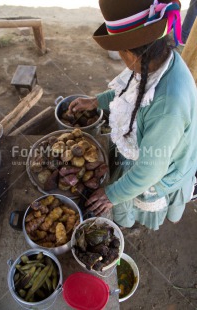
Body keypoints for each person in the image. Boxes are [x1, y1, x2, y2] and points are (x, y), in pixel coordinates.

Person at [69, 0, 197, 230]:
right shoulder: (158, 60)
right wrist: (97, 101)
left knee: (131, 194)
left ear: (129, 53)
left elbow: (150, 170)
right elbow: (130, 92)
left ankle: (132, 221)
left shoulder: (167, 105)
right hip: (153, 149)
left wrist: (111, 194)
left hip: (162, 165)